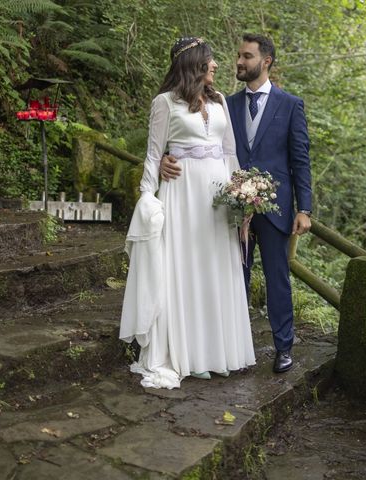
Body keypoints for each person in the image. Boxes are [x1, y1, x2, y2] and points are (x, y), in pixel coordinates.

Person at [161, 33, 312, 374]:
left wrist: (304, 209)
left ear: (266, 61)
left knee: (277, 278)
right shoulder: (222, 102)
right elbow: (197, 142)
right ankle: (231, 348)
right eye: (239, 56)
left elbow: (300, 160)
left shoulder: (290, 105)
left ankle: (283, 347)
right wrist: (162, 160)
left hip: (274, 209)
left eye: (247, 56)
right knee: (232, 279)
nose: (239, 62)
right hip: (230, 208)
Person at [119, 37, 256, 389]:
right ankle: (190, 355)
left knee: (216, 269)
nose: (215, 66)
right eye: (209, 61)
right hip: (184, 195)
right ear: (194, 64)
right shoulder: (164, 103)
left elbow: (229, 153)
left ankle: (218, 353)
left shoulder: (220, 100)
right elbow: (153, 154)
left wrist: (243, 194)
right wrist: (146, 196)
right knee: (188, 270)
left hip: (219, 195)